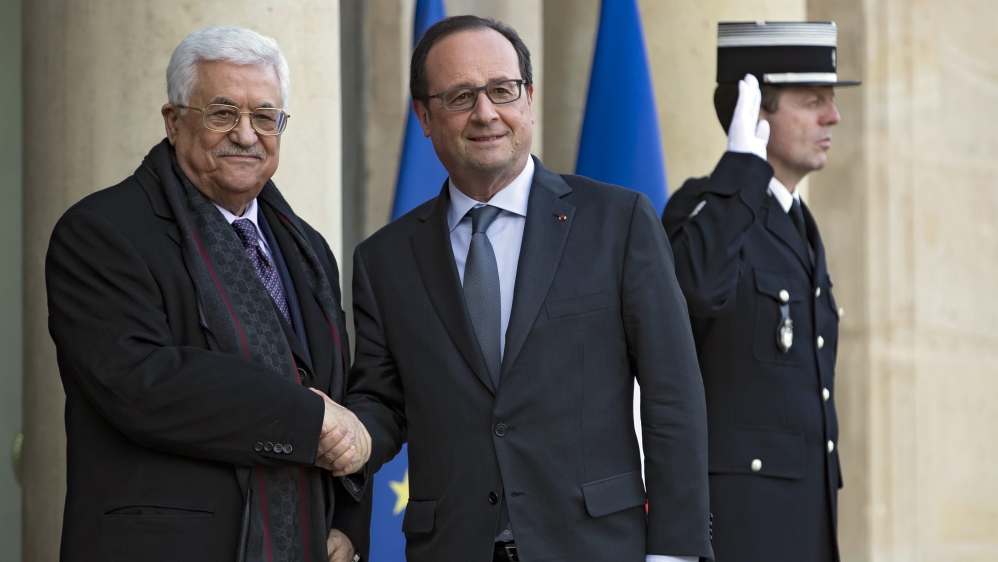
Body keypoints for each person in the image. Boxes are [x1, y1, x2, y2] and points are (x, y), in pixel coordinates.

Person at [346, 15, 712, 562]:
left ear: (530, 99)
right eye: (460, 96)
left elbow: (672, 396)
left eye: (502, 90)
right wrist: (335, 434)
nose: (486, 113)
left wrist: (676, 552)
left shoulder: (619, 222)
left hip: (596, 546)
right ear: (424, 115)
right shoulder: (384, 260)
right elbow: (380, 404)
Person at [47, 26, 371, 562]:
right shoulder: (102, 232)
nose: (246, 135)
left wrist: (344, 526)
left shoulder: (307, 246)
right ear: (173, 122)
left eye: (265, 117)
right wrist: (304, 417)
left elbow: (336, 389)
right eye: (223, 113)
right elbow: (143, 383)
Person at [661, 21, 860, 562]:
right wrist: (740, 168)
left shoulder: (798, 222)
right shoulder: (706, 207)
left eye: (831, 101)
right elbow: (697, 290)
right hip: (739, 528)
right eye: (813, 100)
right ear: (758, 114)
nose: (833, 116)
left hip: (803, 526)